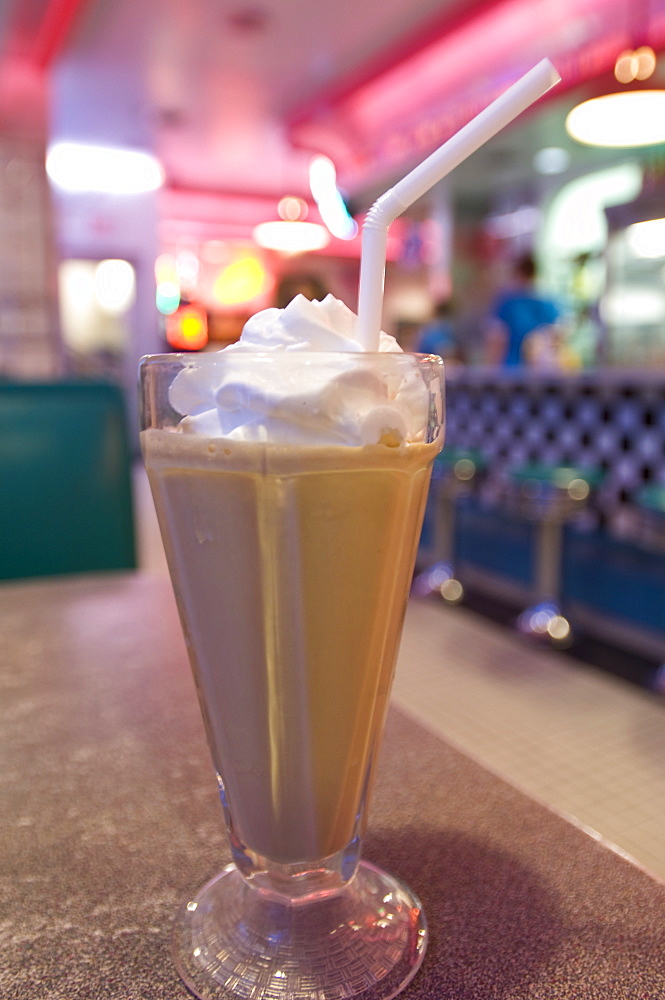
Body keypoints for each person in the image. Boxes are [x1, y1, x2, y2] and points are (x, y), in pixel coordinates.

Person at [486, 253, 560, 367]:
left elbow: (497, 340)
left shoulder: (509, 303)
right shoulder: (548, 302)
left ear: (519, 272)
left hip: (513, 369)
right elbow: (557, 338)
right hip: (542, 371)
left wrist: (492, 369)